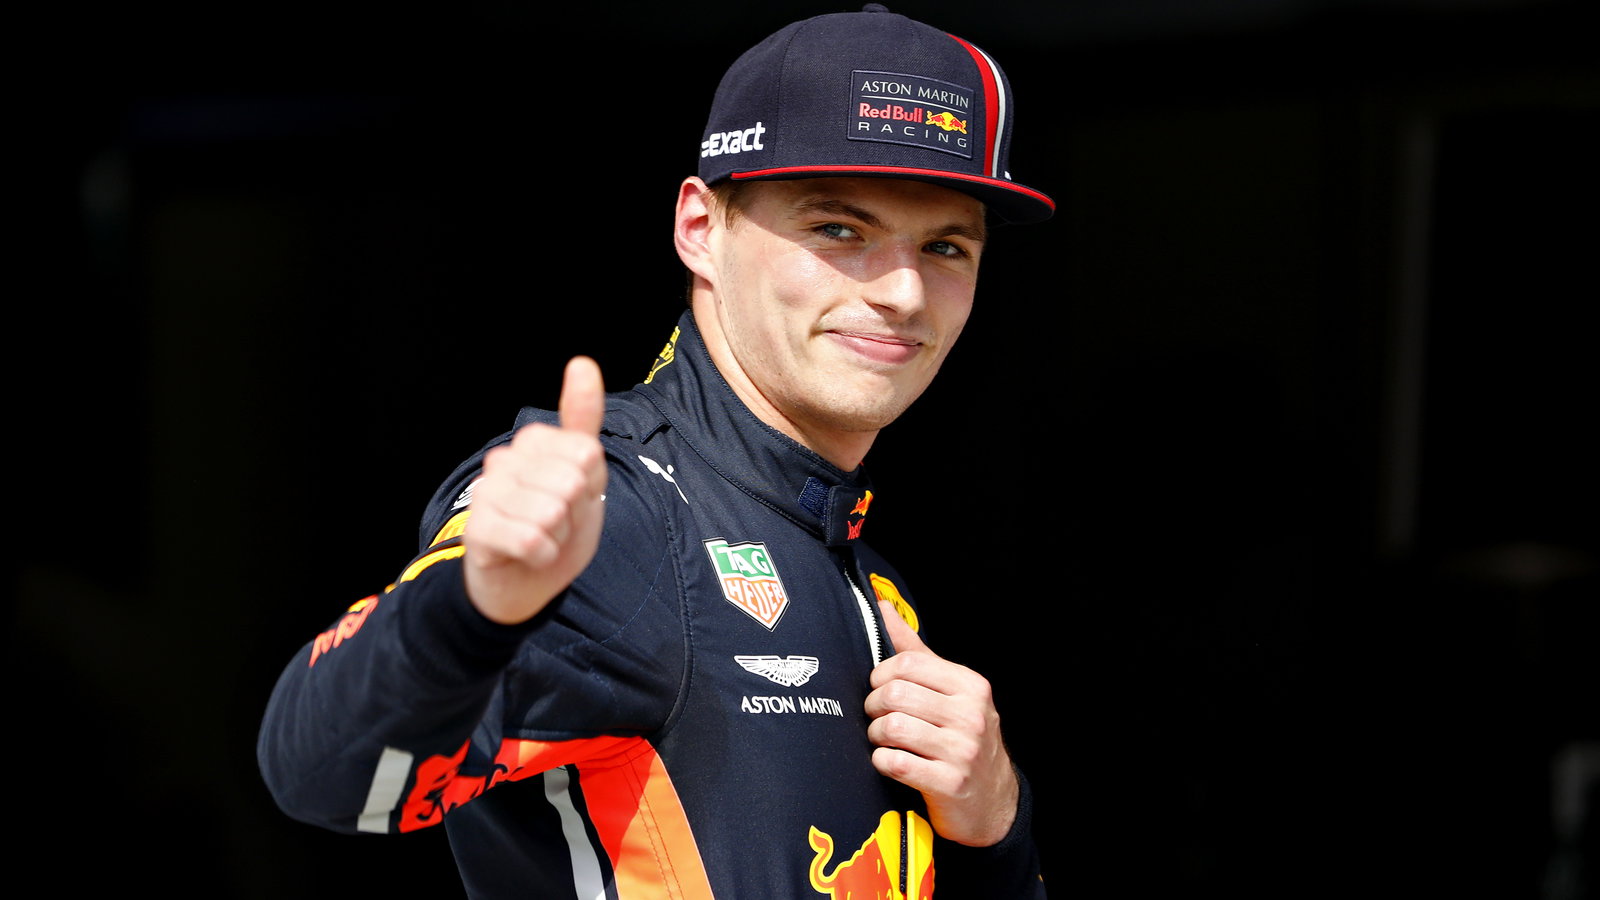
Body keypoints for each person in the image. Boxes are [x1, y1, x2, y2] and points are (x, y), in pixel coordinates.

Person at [257, 4, 1055, 897]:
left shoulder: (867, 578)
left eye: (945, 246)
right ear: (700, 229)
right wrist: (473, 607)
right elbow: (326, 778)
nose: (905, 292)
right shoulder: (619, 512)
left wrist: (997, 825)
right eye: (840, 229)